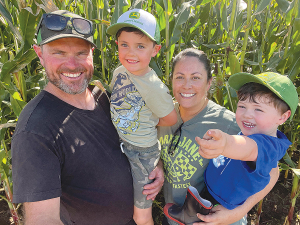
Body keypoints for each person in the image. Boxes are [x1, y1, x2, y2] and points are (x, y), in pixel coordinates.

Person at [11, 10, 164, 225]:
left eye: (81, 53)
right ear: (39, 54)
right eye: (59, 53)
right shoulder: (36, 129)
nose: (72, 65)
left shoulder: (104, 96)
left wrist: (154, 164)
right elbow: (43, 219)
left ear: (92, 53)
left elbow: (140, 130)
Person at [157, 48, 280, 225]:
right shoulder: (164, 116)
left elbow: (271, 170)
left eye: (196, 77)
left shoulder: (228, 123)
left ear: (208, 83)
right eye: (179, 77)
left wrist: (237, 213)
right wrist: (159, 164)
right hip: (174, 216)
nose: (186, 85)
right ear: (171, 80)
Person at [106, 8, 177, 225]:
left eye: (140, 46)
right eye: (124, 45)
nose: (131, 53)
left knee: (141, 214)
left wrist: (147, 129)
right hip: (120, 142)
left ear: (155, 50)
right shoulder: (120, 71)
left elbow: (170, 119)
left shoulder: (153, 86)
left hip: (142, 154)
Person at [194, 72, 298, 211]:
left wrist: (225, 143)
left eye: (258, 109)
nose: (247, 114)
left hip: (219, 204)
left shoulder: (269, 147)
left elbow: (248, 148)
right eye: (242, 106)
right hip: (210, 190)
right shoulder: (253, 131)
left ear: (282, 117)